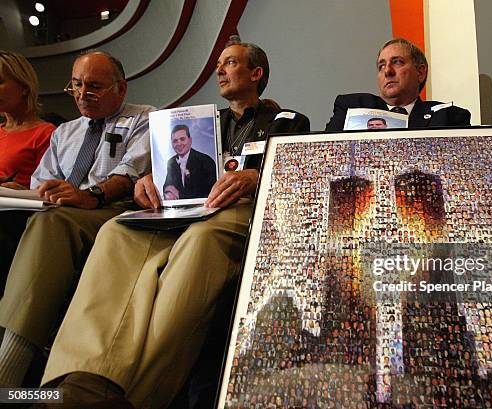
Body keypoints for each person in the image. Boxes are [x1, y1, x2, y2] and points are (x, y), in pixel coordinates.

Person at [37, 37, 309, 408]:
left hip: (238, 209)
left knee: (199, 242)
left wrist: (254, 176)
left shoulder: (284, 120)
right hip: (182, 209)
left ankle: (132, 395)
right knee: (117, 231)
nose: (219, 69)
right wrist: (146, 179)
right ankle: (77, 377)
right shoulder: (203, 123)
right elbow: (165, 171)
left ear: (256, 73)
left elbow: (295, 170)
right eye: (219, 64)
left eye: (230, 62)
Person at [0, 51, 154, 388]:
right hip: (61, 209)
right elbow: (42, 182)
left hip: (111, 210)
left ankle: (9, 365)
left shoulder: (144, 119)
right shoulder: (64, 132)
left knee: (52, 223)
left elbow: (130, 173)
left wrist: (90, 195)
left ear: (121, 88)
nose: (83, 94)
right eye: (77, 85)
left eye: (95, 87)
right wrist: (36, 191)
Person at [325, 38, 471, 131]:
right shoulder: (350, 107)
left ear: (420, 73)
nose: (387, 71)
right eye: (381, 66)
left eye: (397, 62)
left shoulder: (448, 117)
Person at [0, 50, 55, 293]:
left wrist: (20, 188)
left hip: (18, 215)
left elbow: (50, 187)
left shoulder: (46, 133)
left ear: (24, 87)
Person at [163, 124, 216, 200]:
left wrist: (179, 195)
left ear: (190, 140)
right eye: (175, 141)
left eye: (182, 139)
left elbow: (208, 193)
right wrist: (168, 192)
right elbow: (167, 186)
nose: (179, 144)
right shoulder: (171, 162)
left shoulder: (206, 161)